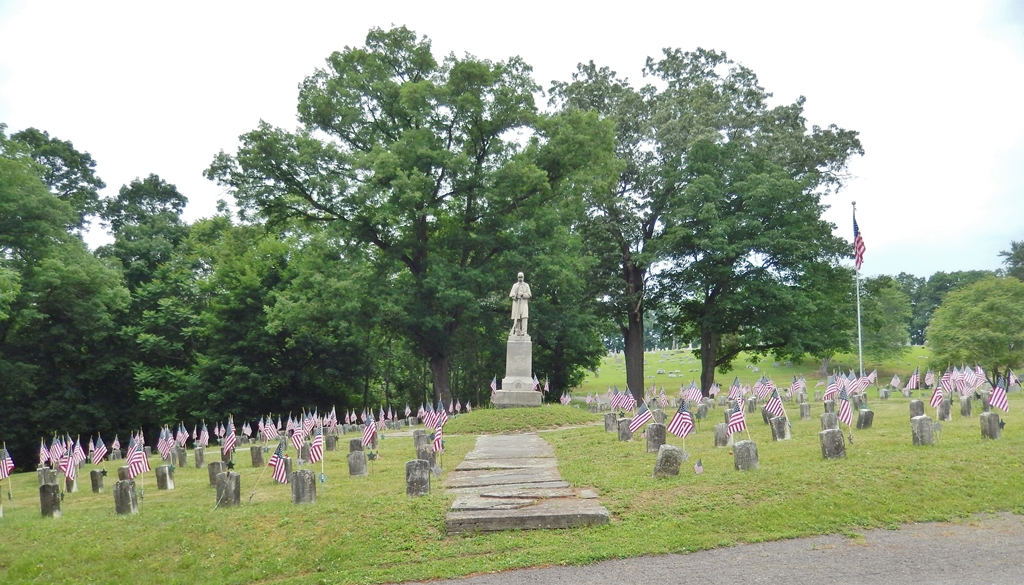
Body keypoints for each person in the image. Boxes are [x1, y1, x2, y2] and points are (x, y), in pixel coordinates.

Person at [509, 272, 531, 336]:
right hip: (516, 304)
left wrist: (522, 295)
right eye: (519, 277)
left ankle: (524, 332)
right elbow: (511, 294)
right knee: (517, 317)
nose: (520, 278)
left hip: (523, 303)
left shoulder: (526, 285)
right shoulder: (515, 285)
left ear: (523, 277)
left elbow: (529, 294)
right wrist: (515, 296)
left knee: (524, 317)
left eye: (521, 277)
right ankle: (517, 331)